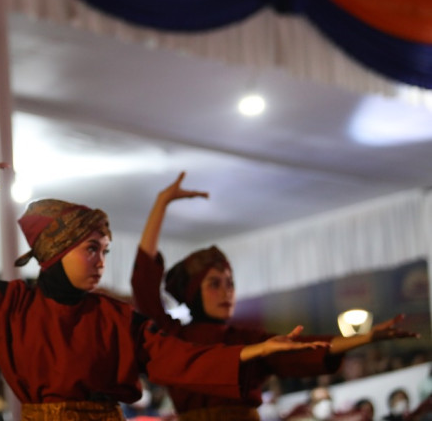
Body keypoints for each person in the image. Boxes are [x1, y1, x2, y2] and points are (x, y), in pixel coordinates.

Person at [0, 163, 331, 421]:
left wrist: (256, 351)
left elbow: (181, 360)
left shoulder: (117, 318)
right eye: (92, 249)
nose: (101, 260)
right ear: (56, 253)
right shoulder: (10, 307)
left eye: (105, 251)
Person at [132, 172, 420, 421]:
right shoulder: (175, 337)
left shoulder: (246, 338)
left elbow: (304, 348)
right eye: (214, 284)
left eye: (230, 283)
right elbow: (144, 284)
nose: (226, 292)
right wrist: (161, 203)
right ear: (192, 292)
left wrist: (366, 337)